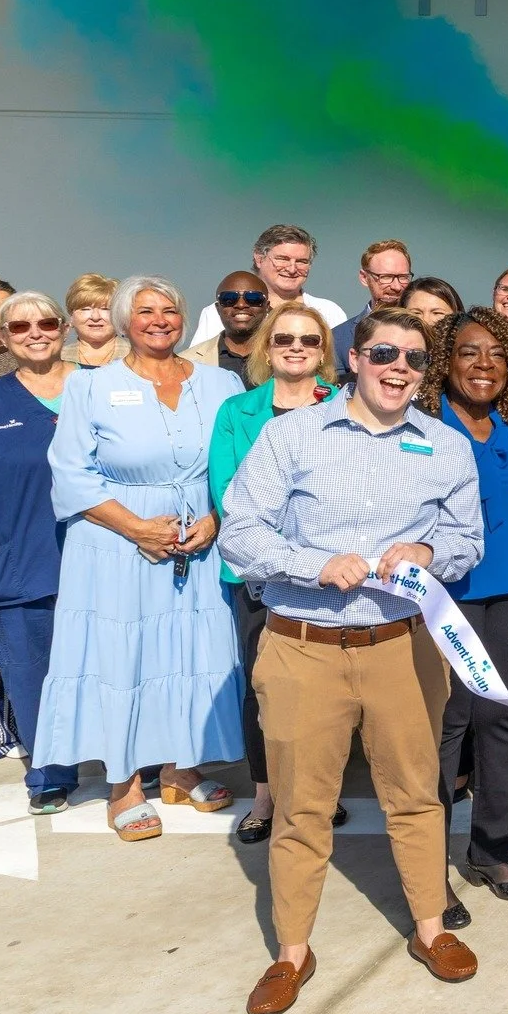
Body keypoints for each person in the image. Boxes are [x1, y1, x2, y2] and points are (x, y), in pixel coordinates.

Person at [219, 306, 483, 1014]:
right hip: (304, 647)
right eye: (385, 353)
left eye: (415, 359)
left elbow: (467, 540)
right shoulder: (290, 435)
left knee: (416, 794)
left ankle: (430, 928)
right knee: (301, 808)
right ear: (355, 360)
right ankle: (292, 951)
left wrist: (429, 553)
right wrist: (312, 565)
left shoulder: (446, 446)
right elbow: (240, 535)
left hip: (403, 647)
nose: (400, 367)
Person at [35, 275, 245, 842]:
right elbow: (71, 473)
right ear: (126, 321)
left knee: (189, 650)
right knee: (122, 657)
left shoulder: (222, 382)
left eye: (170, 310)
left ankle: (181, 766)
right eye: (145, 311)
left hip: (198, 539)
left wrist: (217, 518)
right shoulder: (90, 387)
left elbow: (236, 462)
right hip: (115, 543)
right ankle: (123, 783)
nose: (159, 320)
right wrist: (137, 528)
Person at [423, 308, 508, 906]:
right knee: (447, 728)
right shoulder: (424, 428)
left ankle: (492, 853)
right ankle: (428, 866)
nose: (484, 365)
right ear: (445, 363)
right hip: (450, 600)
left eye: (497, 354)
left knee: (506, 719)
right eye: (470, 353)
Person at [207, 302, 340, 845]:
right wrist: (281, 553)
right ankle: (264, 794)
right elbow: (228, 493)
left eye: (309, 341)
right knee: (265, 687)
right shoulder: (237, 412)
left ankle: (318, 796)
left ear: (324, 351)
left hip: (328, 575)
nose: (295, 348)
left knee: (326, 691)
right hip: (260, 576)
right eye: (284, 338)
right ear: (266, 346)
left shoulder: (345, 405)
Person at [0, 291, 80, 812]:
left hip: (102, 552)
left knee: (112, 662)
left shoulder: (97, 389)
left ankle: (131, 764)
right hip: (20, 558)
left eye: (46, 322)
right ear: (3, 338)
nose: (35, 333)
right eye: (19, 327)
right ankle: (49, 771)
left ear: (64, 327)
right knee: (31, 668)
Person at [191, 225, 348, 346]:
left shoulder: (329, 311)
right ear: (259, 259)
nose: (292, 269)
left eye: (301, 261)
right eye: (282, 259)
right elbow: (200, 361)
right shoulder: (223, 311)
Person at [334, 240, 414, 375]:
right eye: (386, 277)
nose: (396, 286)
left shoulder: (425, 328)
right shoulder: (338, 338)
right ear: (364, 277)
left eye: (403, 277)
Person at [183, 271, 271, 384]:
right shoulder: (187, 361)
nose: (241, 305)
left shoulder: (287, 356)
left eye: (253, 298)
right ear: (218, 308)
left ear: (267, 307)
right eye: (229, 298)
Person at [60, 273, 128, 367]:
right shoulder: (56, 359)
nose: (95, 317)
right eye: (85, 309)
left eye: (105, 309)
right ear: (71, 317)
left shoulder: (140, 355)